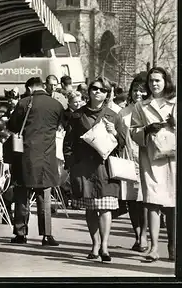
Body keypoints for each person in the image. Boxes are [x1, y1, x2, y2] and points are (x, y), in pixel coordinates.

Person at [63, 77, 124, 262]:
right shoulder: (77, 115)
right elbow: (68, 143)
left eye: (102, 90)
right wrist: (72, 163)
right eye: (95, 89)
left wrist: (114, 132)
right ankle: (95, 244)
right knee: (91, 209)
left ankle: (105, 246)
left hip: (105, 168)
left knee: (105, 208)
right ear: (88, 91)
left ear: (107, 94)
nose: (98, 92)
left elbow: (122, 145)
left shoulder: (113, 115)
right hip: (85, 168)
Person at [8, 77, 64, 247]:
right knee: (44, 196)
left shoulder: (24, 103)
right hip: (46, 157)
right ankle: (47, 235)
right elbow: (61, 125)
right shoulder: (56, 105)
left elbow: (13, 126)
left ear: (30, 88)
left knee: (21, 196)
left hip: (24, 155)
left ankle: (20, 233)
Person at [130, 67, 176, 262]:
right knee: (152, 203)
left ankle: (173, 247)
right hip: (150, 157)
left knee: (172, 204)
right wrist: (146, 129)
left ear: (166, 81)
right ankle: (154, 247)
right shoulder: (141, 106)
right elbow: (133, 131)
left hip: (172, 158)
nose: (154, 84)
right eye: (151, 81)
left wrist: (175, 123)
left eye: (157, 80)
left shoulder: (175, 103)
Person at [117, 72, 149, 253]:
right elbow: (120, 138)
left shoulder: (149, 110)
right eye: (136, 90)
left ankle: (144, 235)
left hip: (146, 160)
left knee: (144, 200)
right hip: (128, 160)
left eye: (142, 90)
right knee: (132, 201)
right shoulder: (123, 113)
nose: (138, 93)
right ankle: (137, 234)